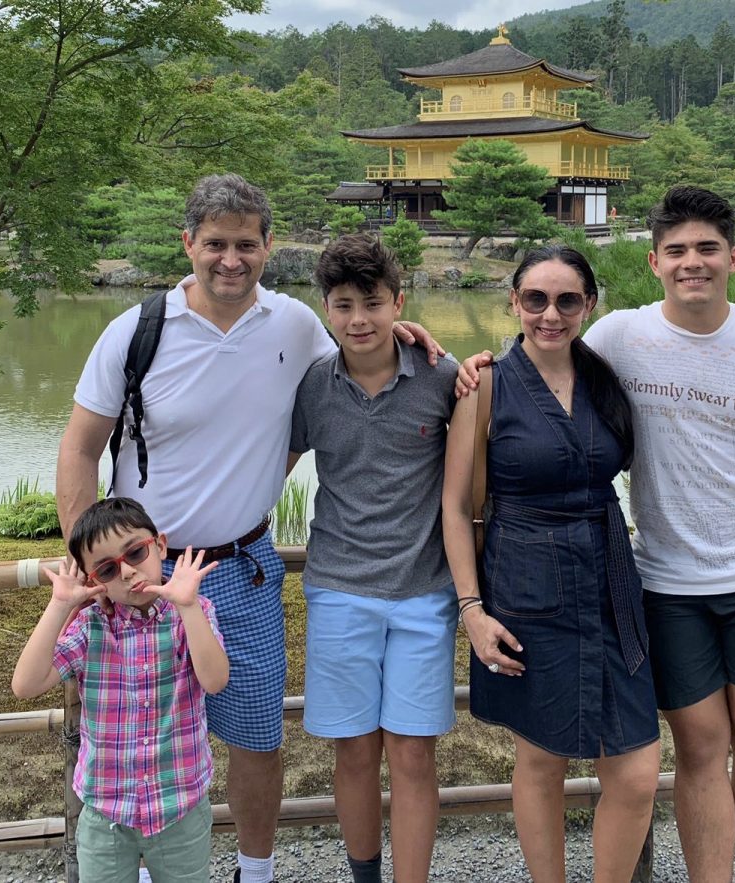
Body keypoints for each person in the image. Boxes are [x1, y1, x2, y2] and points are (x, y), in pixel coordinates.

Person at [56, 173, 443, 883]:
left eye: (245, 244)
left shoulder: (296, 324)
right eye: (214, 244)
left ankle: (255, 871)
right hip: (144, 572)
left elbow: (360, 362)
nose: (229, 259)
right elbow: (80, 448)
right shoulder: (137, 330)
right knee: (142, 730)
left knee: (257, 735)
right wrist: (93, 571)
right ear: (188, 244)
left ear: (269, 246)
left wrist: (410, 338)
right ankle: (147, 867)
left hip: (246, 563)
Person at [459, 186, 735, 883]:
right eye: (677, 251)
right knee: (698, 744)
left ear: (734, 256)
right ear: (654, 261)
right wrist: (471, 365)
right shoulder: (620, 336)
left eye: (706, 249)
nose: (692, 262)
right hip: (664, 580)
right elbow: (542, 353)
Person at [443, 244, 661, 883]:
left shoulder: (607, 377)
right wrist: (472, 610)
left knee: (636, 768)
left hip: (610, 585)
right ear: (513, 303)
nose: (550, 314)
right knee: (540, 760)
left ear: (589, 305)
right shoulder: (482, 385)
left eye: (568, 300)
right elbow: (455, 508)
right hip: (523, 586)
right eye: (535, 299)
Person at [287, 234, 459, 883]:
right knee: (355, 752)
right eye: (344, 304)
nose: (359, 319)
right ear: (326, 309)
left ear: (399, 302)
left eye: (373, 303)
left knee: (413, 755)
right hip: (337, 589)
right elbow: (269, 468)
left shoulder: (440, 375)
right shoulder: (311, 385)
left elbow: (481, 458)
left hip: (423, 591)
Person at [12, 497, 228, 883]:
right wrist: (61, 605)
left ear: (160, 545)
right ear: (93, 581)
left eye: (135, 552)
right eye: (109, 568)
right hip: (105, 810)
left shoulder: (193, 613)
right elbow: (25, 685)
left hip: (180, 802)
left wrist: (189, 606)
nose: (127, 573)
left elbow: (214, 680)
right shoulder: (90, 626)